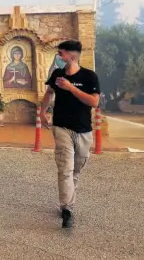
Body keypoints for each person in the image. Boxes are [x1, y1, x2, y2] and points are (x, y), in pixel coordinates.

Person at [40, 40, 100, 228]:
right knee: (65, 168)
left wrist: (71, 87)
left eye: (61, 54)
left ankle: (67, 202)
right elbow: (49, 93)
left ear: (71, 56)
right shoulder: (57, 74)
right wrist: (42, 112)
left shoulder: (90, 77)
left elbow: (93, 102)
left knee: (76, 169)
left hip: (83, 130)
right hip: (61, 128)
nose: (58, 57)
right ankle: (67, 209)